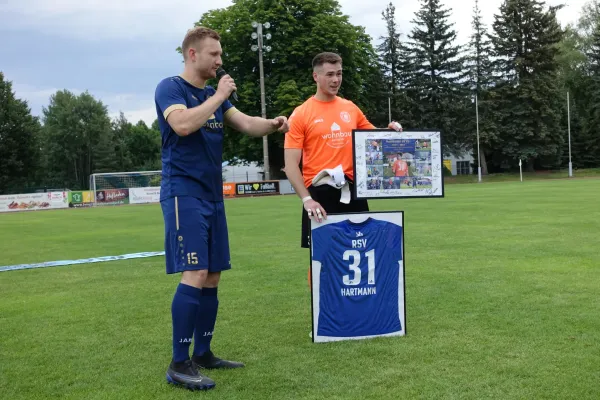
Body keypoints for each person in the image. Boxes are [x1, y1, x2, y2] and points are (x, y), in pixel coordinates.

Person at [154, 26, 289, 391]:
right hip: (184, 193)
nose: (220, 60)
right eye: (214, 54)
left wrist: (274, 125)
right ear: (192, 54)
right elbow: (182, 125)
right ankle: (178, 363)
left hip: (213, 196)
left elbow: (245, 123)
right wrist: (219, 96)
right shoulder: (171, 88)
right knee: (195, 273)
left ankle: (203, 353)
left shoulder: (216, 95)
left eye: (221, 53)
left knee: (212, 276)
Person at [283, 51, 403, 282]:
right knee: (322, 259)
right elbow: (290, 165)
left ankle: (356, 312)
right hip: (320, 194)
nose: (336, 80)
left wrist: (390, 131)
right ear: (315, 77)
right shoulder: (301, 114)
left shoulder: (350, 108)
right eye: (329, 74)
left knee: (362, 253)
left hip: (352, 191)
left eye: (339, 74)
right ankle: (322, 313)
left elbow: (372, 137)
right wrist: (307, 200)